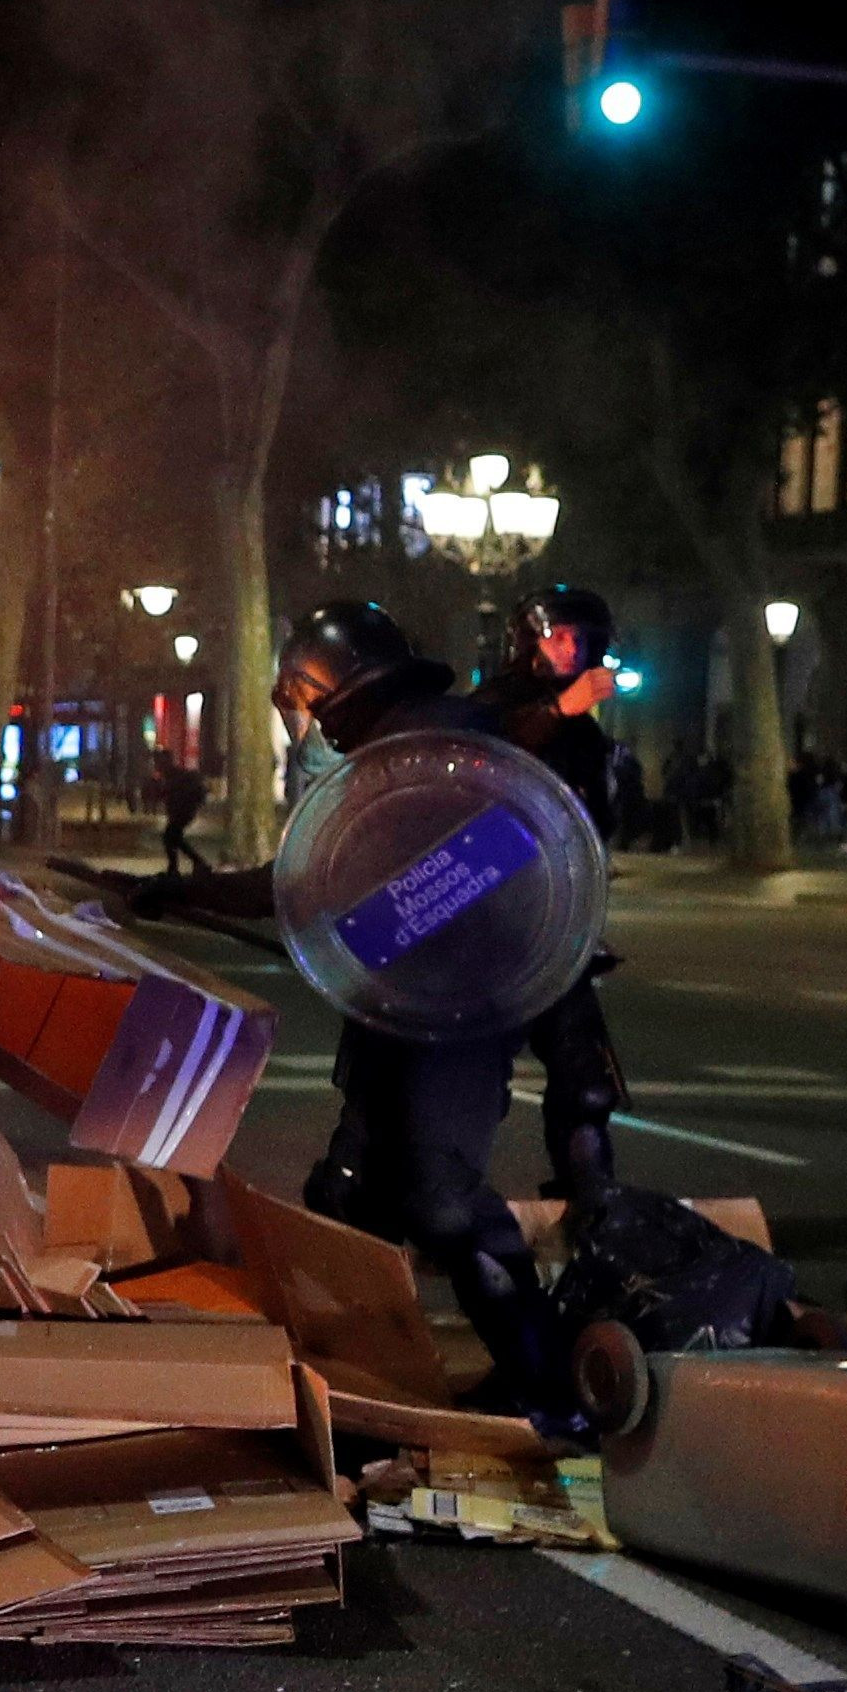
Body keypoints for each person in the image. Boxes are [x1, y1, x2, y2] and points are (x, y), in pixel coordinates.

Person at [270, 603, 571, 1416]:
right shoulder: (393, 755)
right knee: (349, 1193)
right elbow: (332, 886)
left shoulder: (437, 751)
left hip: (457, 1016)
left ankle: (546, 1382)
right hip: (399, 1013)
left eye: (303, 700)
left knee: (439, 1199)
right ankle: (369, 1384)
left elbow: (497, 861)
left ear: (327, 690)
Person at [473, 583, 631, 1211]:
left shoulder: (588, 735)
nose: (570, 647)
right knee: (463, 1082)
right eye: (556, 634)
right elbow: (480, 760)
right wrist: (558, 711)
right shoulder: (494, 706)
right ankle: (432, 1201)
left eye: (581, 638)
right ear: (530, 641)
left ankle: (594, 1206)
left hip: (558, 923)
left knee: (585, 1083)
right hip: (487, 925)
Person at [157, 755, 209, 879]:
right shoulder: (173, 775)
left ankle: (182, 866)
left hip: (182, 812)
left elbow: (173, 794)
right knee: (174, 838)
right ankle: (194, 863)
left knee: (170, 837)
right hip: (182, 812)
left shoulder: (175, 776)